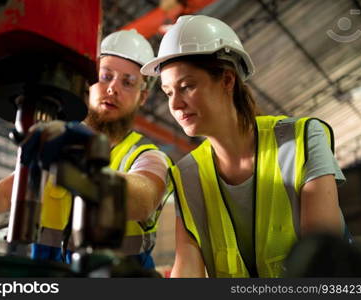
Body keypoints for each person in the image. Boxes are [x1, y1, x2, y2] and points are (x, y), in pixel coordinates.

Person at [141, 15, 347, 277]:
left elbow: (323, 261)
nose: (175, 105)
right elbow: (188, 269)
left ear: (228, 80)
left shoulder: (300, 140)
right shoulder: (186, 175)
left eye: (187, 86)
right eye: (168, 92)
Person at [0, 29, 172, 269]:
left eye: (128, 82)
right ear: (88, 82)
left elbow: (144, 199)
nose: (113, 89)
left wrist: (84, 161)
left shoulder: (148, 156)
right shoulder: (55, 142)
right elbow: (5, 194)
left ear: (142, 97)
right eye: (106, 76)